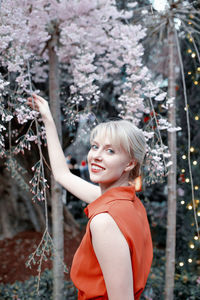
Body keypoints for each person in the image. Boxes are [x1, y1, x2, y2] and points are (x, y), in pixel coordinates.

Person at [27, 94, 153, 300]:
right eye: (95, 146)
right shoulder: (128, 203)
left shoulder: (105, 221)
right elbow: (62, 175)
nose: (96, 156)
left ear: (130, 163)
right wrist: (47, 119)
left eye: (110, 151)